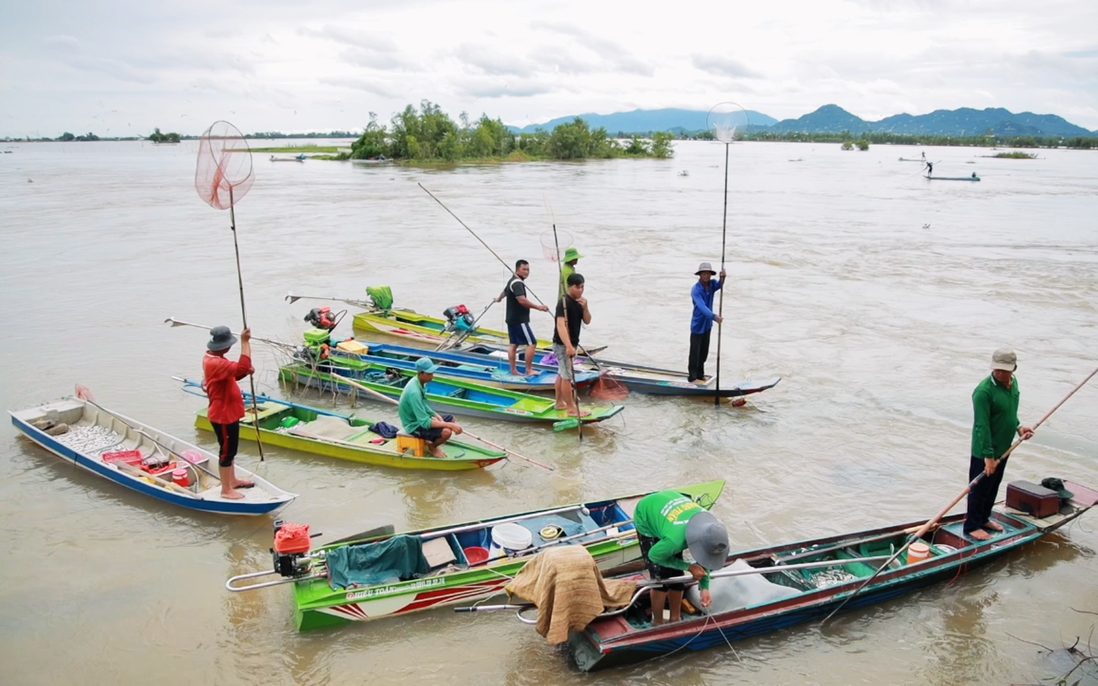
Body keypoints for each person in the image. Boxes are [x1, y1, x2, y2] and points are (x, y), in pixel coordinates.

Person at [965, 349, 1034, 540]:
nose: (1000, 373)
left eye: (1005, 370)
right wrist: (988, 456)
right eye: (997, 370)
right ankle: (971, 526)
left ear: (1014, 369)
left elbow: (1008, 412)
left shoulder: (1013, 384)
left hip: (1004, 447)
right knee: (978, 489)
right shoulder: (983, 392)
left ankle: (984, 518)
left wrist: (1019, 427)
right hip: (985, 450)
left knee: (993, 486)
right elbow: (982, 425)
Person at [634, 490, 729, 625]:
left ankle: (675, 618)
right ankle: (658, 621)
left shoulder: (712, 527)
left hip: (671, 514)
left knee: (677, 576)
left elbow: (707, 558)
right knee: (660, 577)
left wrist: (705, 588)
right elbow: (654, 556)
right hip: (646, 514)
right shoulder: (676, 540)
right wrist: (689, 567)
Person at [202, 325, 256, 500]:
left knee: (231, 449)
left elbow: (236, 373)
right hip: (222, 415)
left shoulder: (217, 360)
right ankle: (226, 489)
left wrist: (245, 371)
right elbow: (242, 367)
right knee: (226, 452)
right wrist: (245, 342)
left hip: (229, 412)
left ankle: (232, 480)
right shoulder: (215, 362)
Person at [398, 357, 464, 458]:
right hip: (413, 425)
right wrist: (449, 425)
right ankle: (432, 447)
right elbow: (424, 422)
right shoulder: (414, 392)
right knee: (447, 432)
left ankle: (433, 439)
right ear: (421, 373)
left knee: (451, 418)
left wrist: (435, 414)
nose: (432, 376)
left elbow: (423, 405)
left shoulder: (419, 382)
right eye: (429, 374)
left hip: (420, 418)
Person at [495, 259, 549, 377]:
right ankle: (529, 370)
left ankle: (513, 370)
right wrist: (538, 307)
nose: (526, 272)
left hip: (511, 318)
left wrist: (498, 299)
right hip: (519, 320)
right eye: (524, 269)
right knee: (532, 343)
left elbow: (505, 292)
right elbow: (522, 300)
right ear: (517, 269)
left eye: (528, 270)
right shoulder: (517, 283)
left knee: (514, 344)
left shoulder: (512, 281)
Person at [553, 272, 591, 417]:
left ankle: (559, 403)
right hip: (563, 345)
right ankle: (571, 409)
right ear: (571, 287)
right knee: (567, 376)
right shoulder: (563, 303)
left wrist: (586, 307)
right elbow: (560, 326)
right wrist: (568, 346)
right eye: (578, 287)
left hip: (572, 344)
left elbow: (587, 321)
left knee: (562, 374)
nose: (581, 290)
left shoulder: (579, 303)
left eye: (582, 287)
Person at [688, 262, 726, 384]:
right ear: (700, 275)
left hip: (707, 325)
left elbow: (719, 285)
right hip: (698, 325)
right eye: (704, 273)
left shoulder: (712, 285)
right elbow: (702, 307)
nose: (706, 276)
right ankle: (693, 377)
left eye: (708, 273)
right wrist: (714, 316)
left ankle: (700, 374)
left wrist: (723, 278)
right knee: (695, 353)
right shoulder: (696, 290)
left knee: (704, 352)